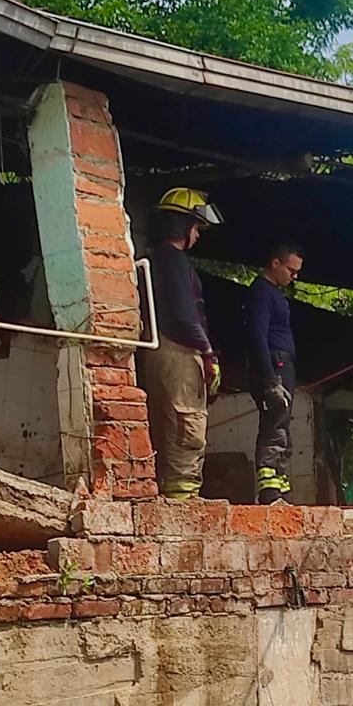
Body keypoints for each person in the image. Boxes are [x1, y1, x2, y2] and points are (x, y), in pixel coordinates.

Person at [141, 187, 223, 500]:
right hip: (178, 351)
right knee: (185, 422)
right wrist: (208, 353)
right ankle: (183, 498)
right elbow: (184, 315)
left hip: (160, 348)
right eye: (196, 228)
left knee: (168, 422)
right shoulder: (173, 260)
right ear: (181, 225)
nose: (198, 236)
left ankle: (175, 492)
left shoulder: (156, 258)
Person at [245, 243, 304, 504]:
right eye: (291, 270)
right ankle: (269, 492)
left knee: (282, 425)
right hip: (274, 366)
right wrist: (270, 379)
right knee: (274, 423)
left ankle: (279, 486)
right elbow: (257, 336)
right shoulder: (261, 293)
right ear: (275, 263)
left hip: (283, 365)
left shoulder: (275, 293)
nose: (294, 276)